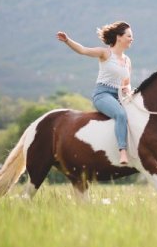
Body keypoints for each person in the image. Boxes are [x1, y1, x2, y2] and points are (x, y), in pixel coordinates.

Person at [56, 22, 133, 165]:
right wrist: (67, 40)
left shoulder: (128, 61)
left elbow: (126, 82)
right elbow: (83, 50)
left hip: (119, 96)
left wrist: (127, 89)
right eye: (129, 36)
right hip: (103, 94)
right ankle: (122, 151)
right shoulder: (105, 53)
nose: (131, 39)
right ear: (119, 37)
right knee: (121, 114)